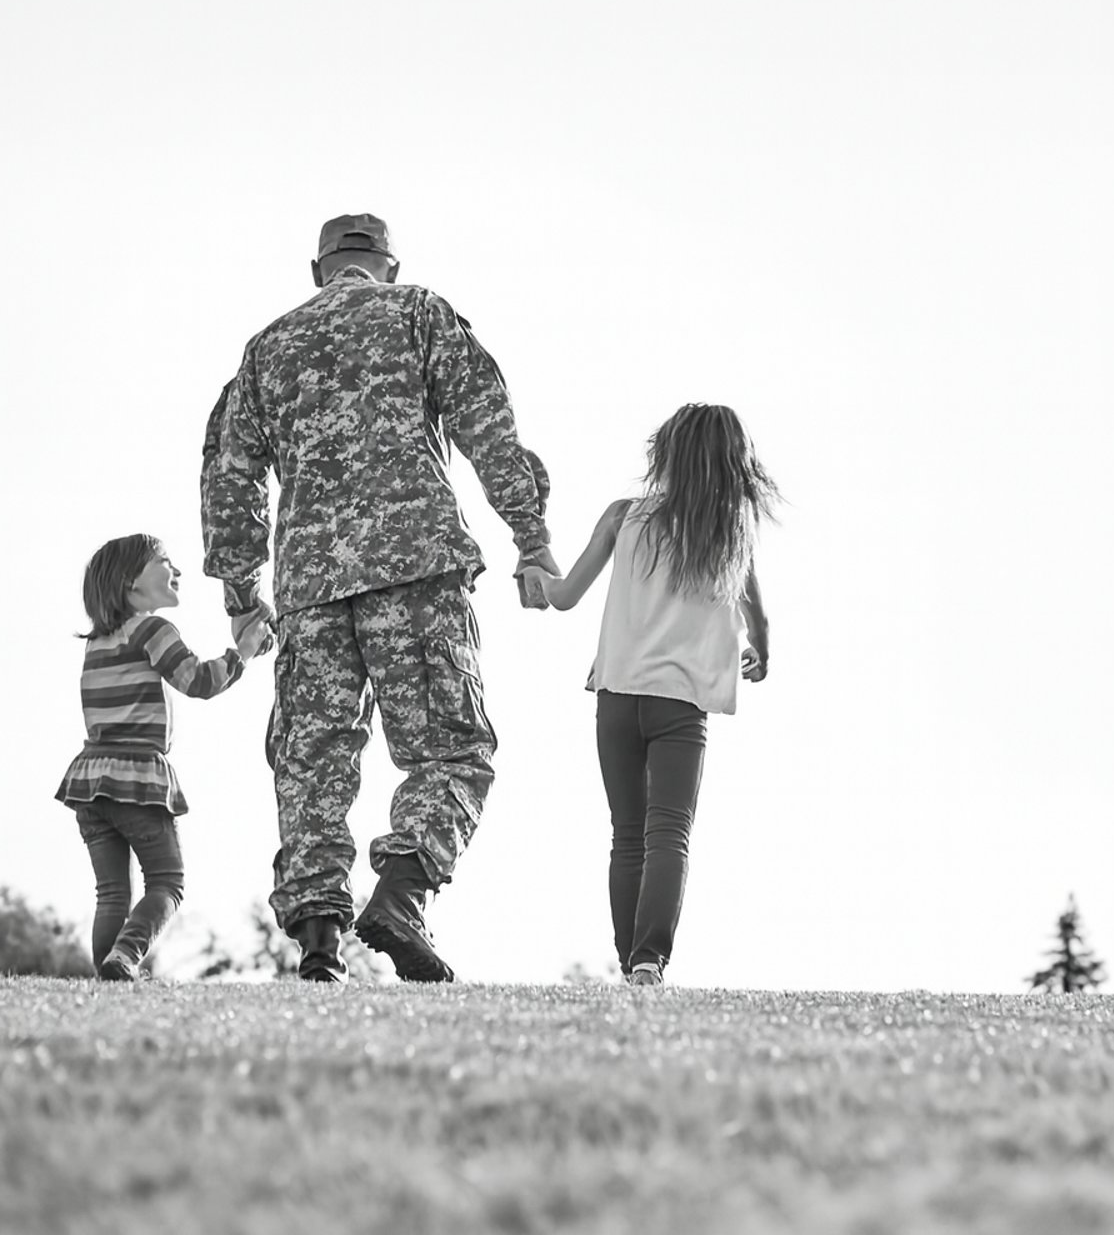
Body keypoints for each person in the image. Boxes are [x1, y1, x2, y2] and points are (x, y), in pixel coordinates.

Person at [201, 212, 557, 984]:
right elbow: (490, 429)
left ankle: (320, 941)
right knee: (453, 751)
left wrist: (241, 595)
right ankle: (401, 896)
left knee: (312, 762)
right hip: (416, 570)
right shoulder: (419, 312)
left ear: (318, 270)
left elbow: (228, 475)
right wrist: (531, 538)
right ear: (389, 267)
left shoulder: (268, 348)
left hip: (309, 587)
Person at [520, 403, 777, 985]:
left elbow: (560, 597)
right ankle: (646, 962)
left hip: (614, 697)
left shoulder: (622, 516)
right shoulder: (728, 530)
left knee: (627, 834)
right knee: (668, 832)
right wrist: (760, 652)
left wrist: (536, 571)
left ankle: (628, 959)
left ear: (666, 453)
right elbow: (755, 612)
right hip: (679, 705)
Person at [55, 534, 272, 981]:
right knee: (167, 882)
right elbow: (199, 681)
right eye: (165, 561)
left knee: (111, 892)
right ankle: (126, 957)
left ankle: (108, 978)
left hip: (90, 779)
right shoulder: (151, 630)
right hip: (135, 778)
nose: (177, 571)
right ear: (131, 582)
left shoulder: (97, 643)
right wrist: (244, 652)